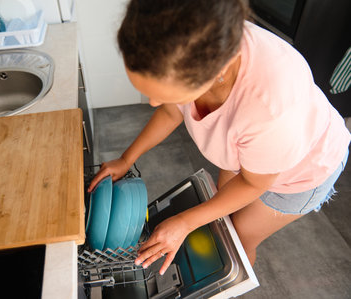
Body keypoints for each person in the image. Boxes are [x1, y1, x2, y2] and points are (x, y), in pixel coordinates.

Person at [88, 0, 351, 276]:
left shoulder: (271, 109)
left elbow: (252, 184)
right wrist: (126, 158)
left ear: (216, 73)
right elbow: (170, 112)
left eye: (165, 93)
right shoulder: (198, 40)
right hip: (252, 150)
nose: (153, 103)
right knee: (220, 218)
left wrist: (184, 222)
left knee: (236, 236)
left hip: (303, 168)